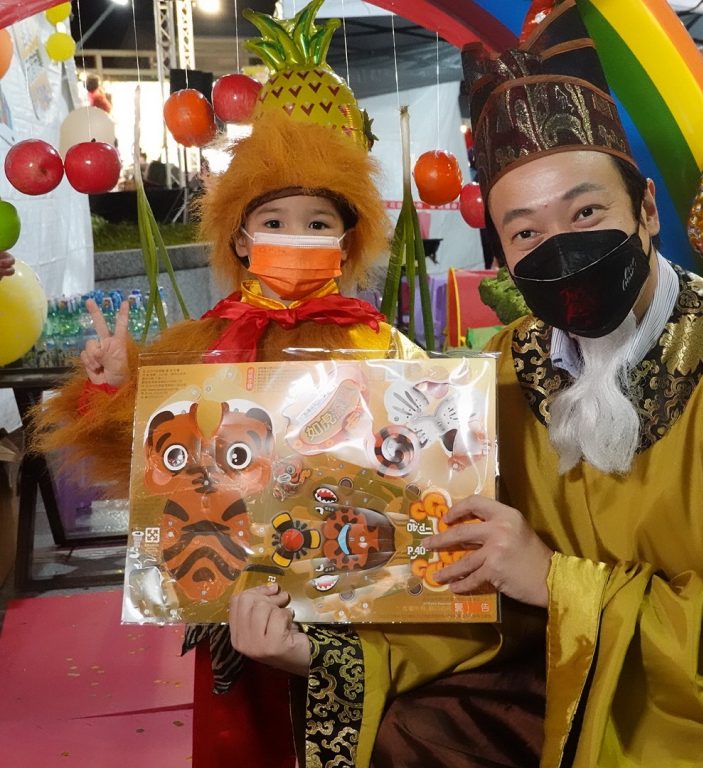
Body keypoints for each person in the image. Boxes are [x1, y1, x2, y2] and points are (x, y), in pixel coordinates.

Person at [224, 4, 703, 767]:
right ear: (502, 256)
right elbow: (462, 584)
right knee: (413, 735)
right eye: (525, 231)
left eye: (586, 211)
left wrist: (554, 580)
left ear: (645, 212)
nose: (560, 247)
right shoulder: (505, 375)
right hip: (581, 663)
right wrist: (316, 648)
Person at [30, 110, 422, 767]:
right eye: (274, 222)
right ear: (241, 238)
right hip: (235, 599)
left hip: (353, 597)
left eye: (318, 224)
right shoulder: (201, 346)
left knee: (360, 736)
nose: (296, 237)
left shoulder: (381, 344)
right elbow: (148, 465)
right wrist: (116, 390)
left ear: (345, 240)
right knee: (250, 740)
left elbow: (424, 456)